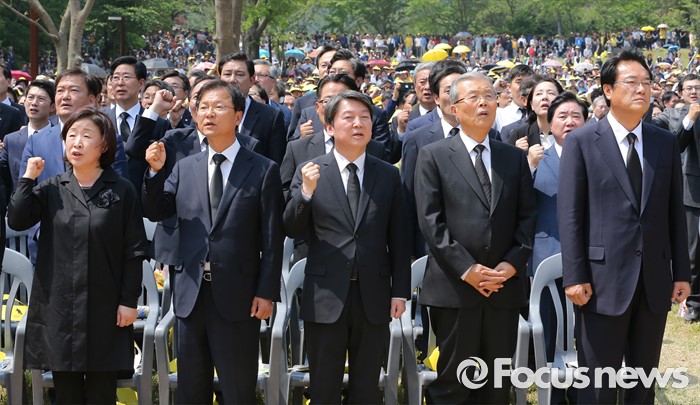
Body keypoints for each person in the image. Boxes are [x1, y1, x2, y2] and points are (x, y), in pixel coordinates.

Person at [558, 49, 691, 404]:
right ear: (608, 90)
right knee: (598, 382)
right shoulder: (582, 141)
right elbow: (570, 215)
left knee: (642, 382)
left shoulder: (664, 142)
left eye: (647, 82)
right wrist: (574, 275)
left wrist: (681, 272)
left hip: (653, 280)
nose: (642, 89)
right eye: (631, 82)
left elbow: (673, 212)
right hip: (600, 283)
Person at [142, 79, 283, 403]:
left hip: (239, 294)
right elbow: (156, 210)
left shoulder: (263, 169)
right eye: (202, 107)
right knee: (191, 390)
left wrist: (266, 291)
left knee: (238, 389)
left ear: (238, 116)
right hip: (191, 293)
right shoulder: (183, 167)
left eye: (219, 107)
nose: (209, 114)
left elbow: (272, 237)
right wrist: (154, 173)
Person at [8, 108, 148, 404]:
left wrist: (129, 301)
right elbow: (18, 219)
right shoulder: (52, 188)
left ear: (104, 145)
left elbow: (134, 250)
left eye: (86, 136)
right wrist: (27, 178)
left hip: (106, 306)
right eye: (71, 135)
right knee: (66, 393)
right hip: (61, 307)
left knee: (101, 392)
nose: (77, 142)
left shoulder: (122, 190)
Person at [414, 72, 537, 404]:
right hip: (455, 288)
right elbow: (431, 222)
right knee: (454, 382)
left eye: (489, 96)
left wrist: (510, 266)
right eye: (474, 97)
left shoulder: (513, 157)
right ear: (454, 108)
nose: (483, 102)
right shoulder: (434, 155)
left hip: (502, 286)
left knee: (496, 383)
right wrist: (468, 270)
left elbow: (527, 218)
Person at [283, 89, 410, 404]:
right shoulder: (311, 170)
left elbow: (399, 237)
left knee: (367, 386)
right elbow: (291, 227)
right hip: (326, 294)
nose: (358, 124)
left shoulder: (387, 175)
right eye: (349, 117)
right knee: (324, 386)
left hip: (373, 294)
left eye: (365, 118)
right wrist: (306, 193)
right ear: (329, 126)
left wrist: (399, 291)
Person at [218, 52, 286, 164]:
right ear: (219, 79)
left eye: (240, 74)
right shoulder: (208, 114)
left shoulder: (270, 116)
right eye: (227, 74)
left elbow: (275, 162)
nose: (232, 80)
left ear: (252, 80)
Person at [673, 74, 700, 322]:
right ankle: (692, 303)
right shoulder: (681, 115)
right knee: (693, 250)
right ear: (681, 93)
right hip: (693, 191)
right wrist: (691, 117)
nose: (694, 91)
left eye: (698, 88)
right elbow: (677, 145)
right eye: (689, 88)